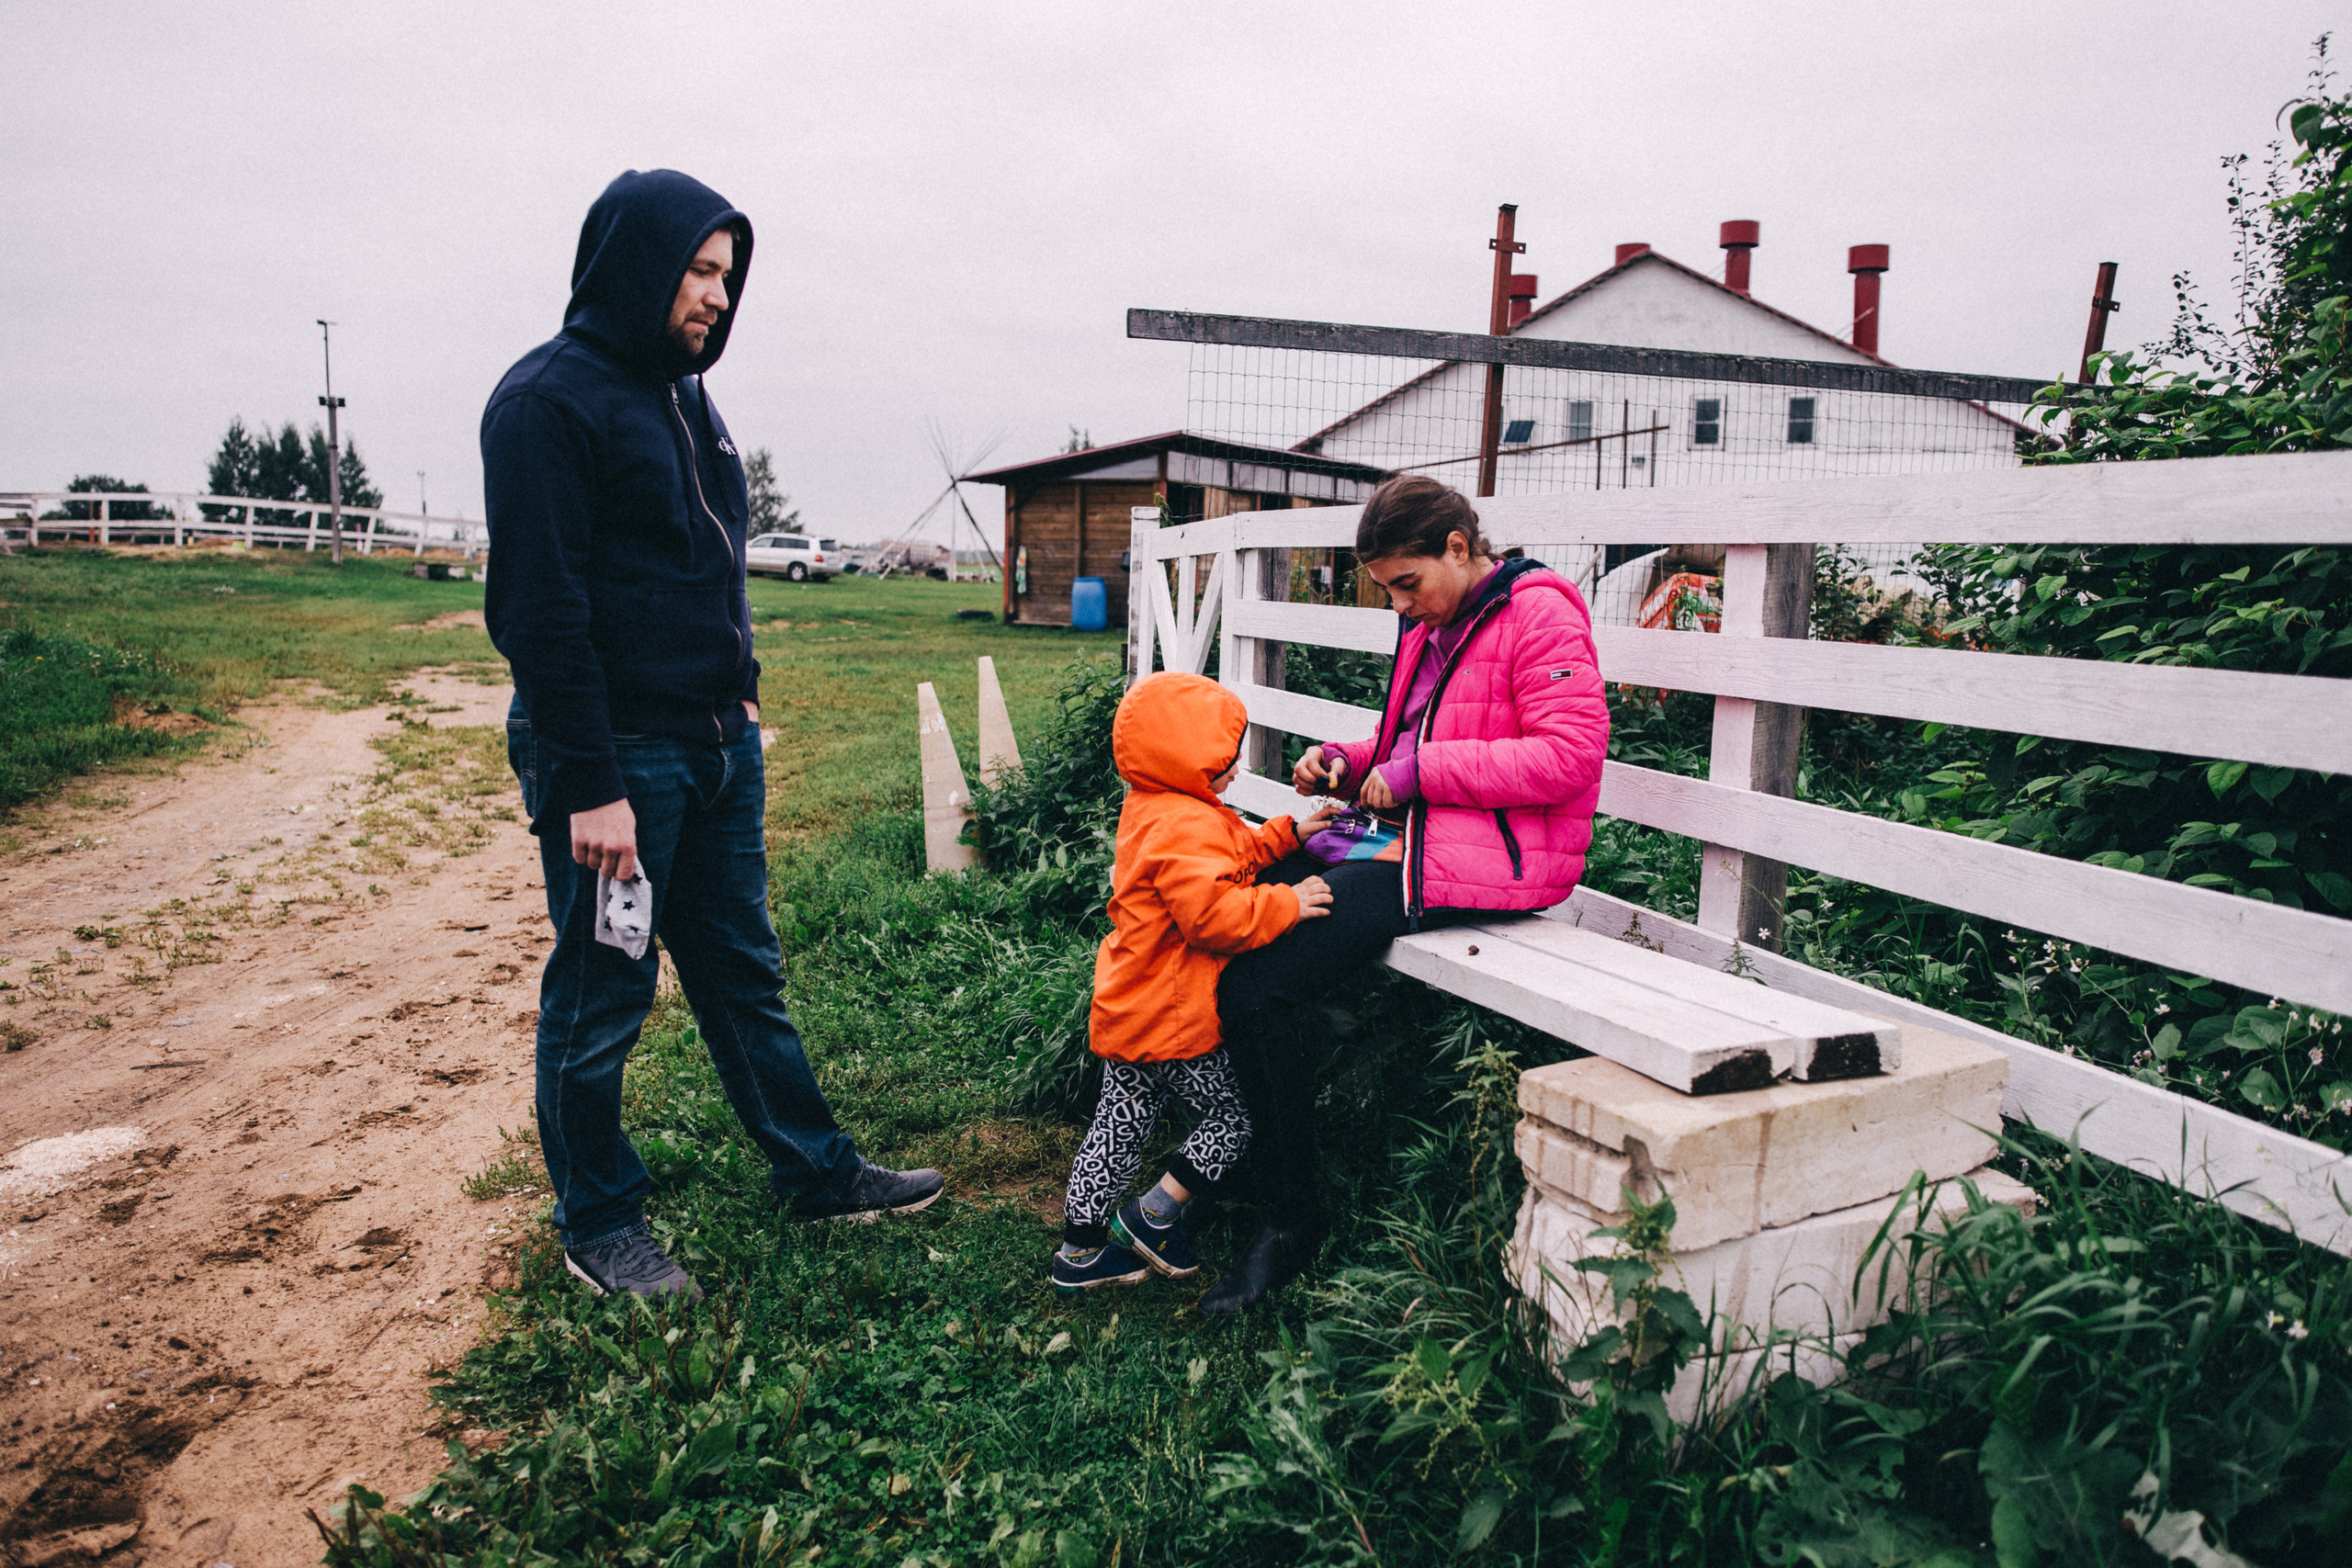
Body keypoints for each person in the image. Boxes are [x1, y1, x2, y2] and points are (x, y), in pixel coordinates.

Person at [482, 169, 943, 1302]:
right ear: (636, 262)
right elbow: (539, 613)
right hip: (617, 759)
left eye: (727, 276)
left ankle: (814, 1170)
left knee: (742, 971)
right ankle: (599, 1223)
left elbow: (709, 569)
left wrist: (740, 701)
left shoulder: (689, 401)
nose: (717, 297)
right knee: (604, 991)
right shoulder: (545, 403)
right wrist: (591, 783)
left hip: (715, 747)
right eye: (697, 270)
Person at [1200, 476, 1609, 1316]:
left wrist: (1417, 772)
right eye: (1388, 589)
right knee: (1223, 906)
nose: (1400, 605)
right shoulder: (1436, 621)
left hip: (1489, 860)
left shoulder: (1540, 614)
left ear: (1459, 547)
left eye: (1407, 584)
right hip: (1411, 839)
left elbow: (1569, 757)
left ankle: (1289, 1216)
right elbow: (1410, 740)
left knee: (1258, 980)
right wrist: (1347, 760)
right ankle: (1244, 1153)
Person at [1051, 673, 1337, 1292]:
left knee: (1118, 1126)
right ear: (1186, 763)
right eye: (1221, 762)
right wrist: (1287, 902)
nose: (1233, 770)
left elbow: (1225, 854)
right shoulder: (1187, 823)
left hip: (1131, 1003)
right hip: (1173, 1017)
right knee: (1236, 1115)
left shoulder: (1156, 804)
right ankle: (1154, 1215)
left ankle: (1078, 1249)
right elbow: (1213, 917)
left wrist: (1289, 835)